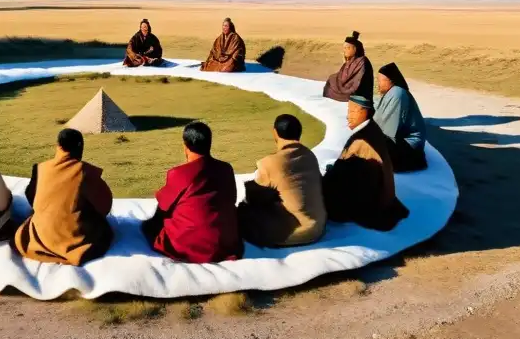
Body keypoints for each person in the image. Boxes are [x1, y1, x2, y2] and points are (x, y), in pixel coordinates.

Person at [142, 122, 242, 262]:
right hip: (226, 244)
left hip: (192, 246)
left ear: (185, 146)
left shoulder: (179, 173)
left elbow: (163, 205)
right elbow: (231, 199)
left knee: (150, 227)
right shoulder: (226, 169)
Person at [13, 128, 114, 265]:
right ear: (80, 147)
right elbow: (105, 206)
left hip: (38, 237)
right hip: (74, 241)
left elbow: (31, 196)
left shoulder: (41, 169)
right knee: (103, 230)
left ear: (58, 146)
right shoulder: (84, 172)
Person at [237, 114, 327, 247]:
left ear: (275, 132)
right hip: (319, 225)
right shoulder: (309, 155)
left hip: (298, 232)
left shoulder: (270, 163)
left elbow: (254, 198)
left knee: (242, 212)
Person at [322, 95, 409, 231]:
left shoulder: (362, 140)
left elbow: (345, 173)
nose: (348, 116)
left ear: (364, 111)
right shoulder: (372, 129)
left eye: (352, 111)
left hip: (372, 200)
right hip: (382, 194)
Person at [374, 62, 428, 172]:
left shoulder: (397, 94)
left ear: (390, 80)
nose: (377, 83)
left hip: (409, 148)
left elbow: (389, 129)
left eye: (380, 80)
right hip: (399, 140)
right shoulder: (391, 92)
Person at [323, 31, 373, 102]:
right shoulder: (350, 60)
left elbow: (357, 80)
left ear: (355, 49)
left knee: (338, 89)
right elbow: (342, 75)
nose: (344, 50)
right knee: (331, 80)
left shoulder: (362, 61)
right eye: (344, 48)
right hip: (347, 86)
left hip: (358, 92)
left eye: (348, 48)